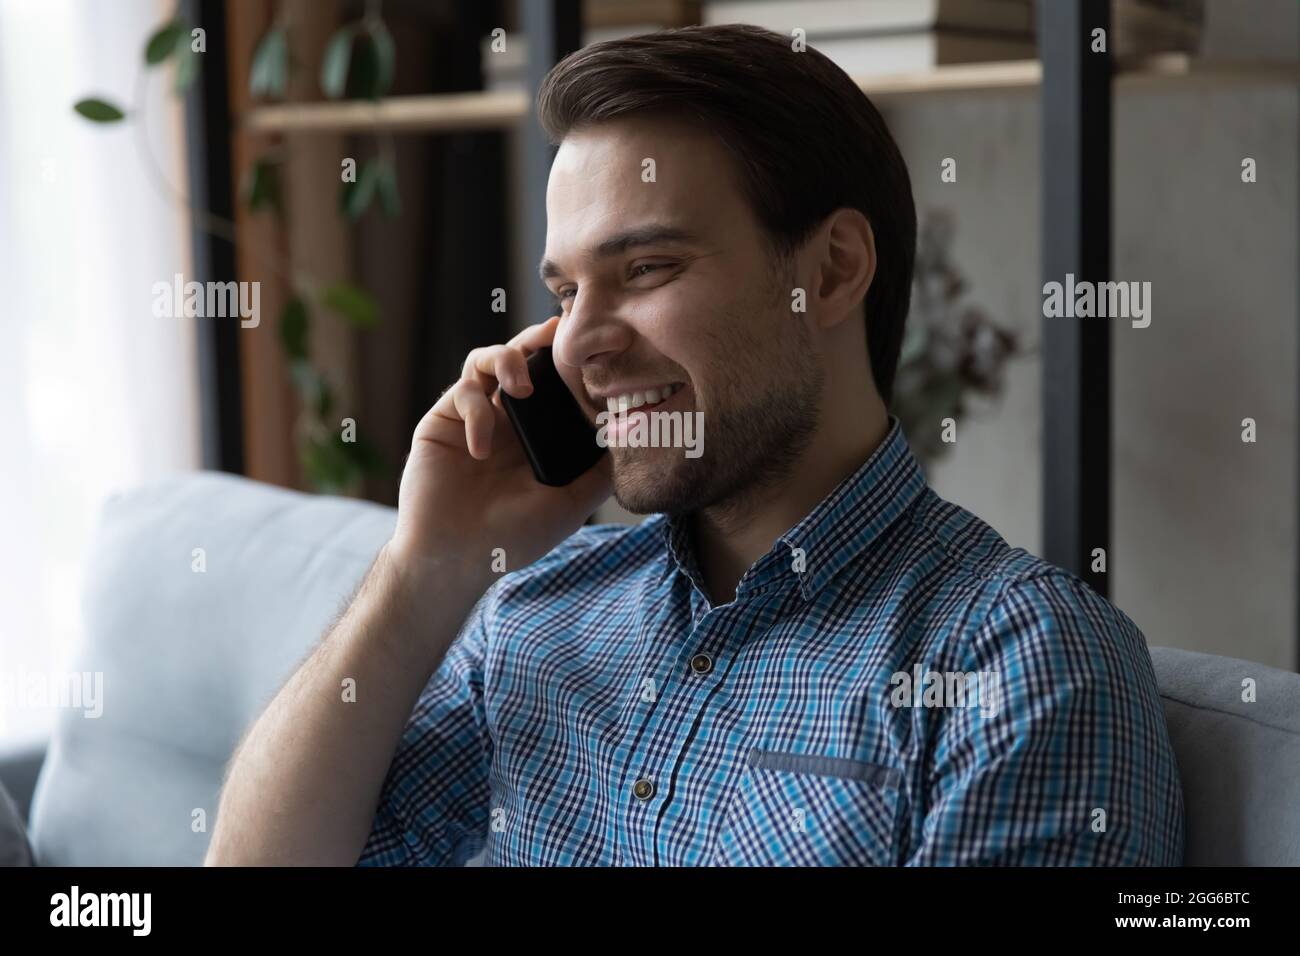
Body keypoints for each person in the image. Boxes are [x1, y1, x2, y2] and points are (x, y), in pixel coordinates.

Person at [205, 24, 1183, 867]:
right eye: (564, 292)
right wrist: (425, 567)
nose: (582, 343)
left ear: (833, 270)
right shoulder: (535, 615)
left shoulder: (1019, 665)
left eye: (645, 266)